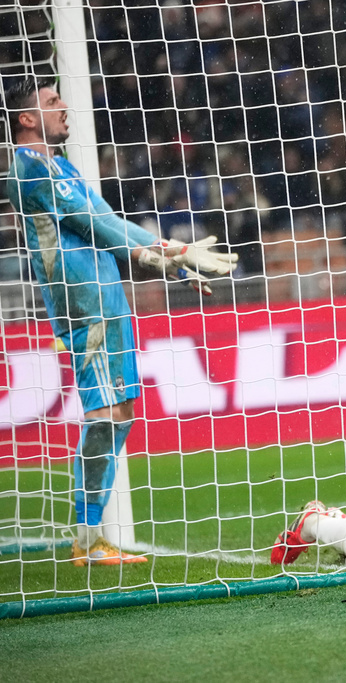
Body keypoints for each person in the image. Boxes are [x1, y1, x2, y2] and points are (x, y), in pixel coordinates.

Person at [4, 77, 238, 565]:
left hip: (105, 297)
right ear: (27, 119)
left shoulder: (58, 164)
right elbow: (97, 225)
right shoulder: (28, 169)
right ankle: (87, 539)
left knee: (120, 411)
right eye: (51, 103)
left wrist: (173, 258)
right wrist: (164, 252)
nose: (64, 107)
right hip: (84, 301)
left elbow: (108, 217)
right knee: (106, 413)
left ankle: (90, 535)